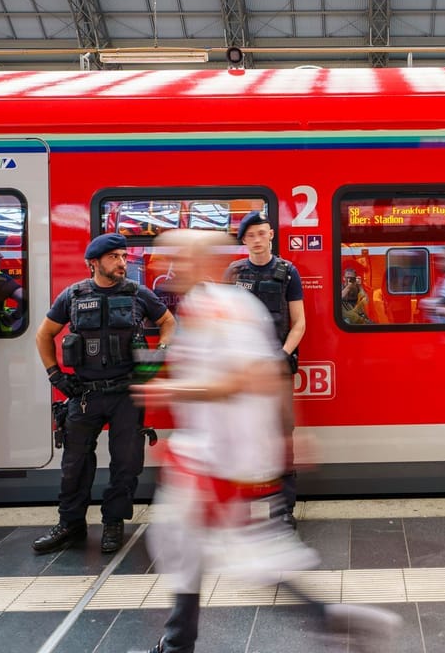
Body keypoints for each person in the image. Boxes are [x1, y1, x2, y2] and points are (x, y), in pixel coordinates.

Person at [136, 229, 400, 653]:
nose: (170, 266)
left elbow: (253, 375)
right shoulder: (201, 307)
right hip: (206, 453)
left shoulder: (227, 310)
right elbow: (272, 371)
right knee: (179, 542)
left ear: (204, 263)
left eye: (180, 257)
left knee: (246, 557)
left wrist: (177, 393)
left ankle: (335, 622)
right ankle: (179, 641)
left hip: (228, 458)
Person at [32, 233, 176, 555]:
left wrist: (159, 353)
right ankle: (71, 524)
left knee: (125, 465)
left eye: (124, 256)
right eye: (114, 257)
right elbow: (44, 335)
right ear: (93, 263)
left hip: (126, 393)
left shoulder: (138, 294)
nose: (122, 263)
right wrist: (56, 375)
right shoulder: (72, 296)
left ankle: (114, 523)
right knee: (74, 464)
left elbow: (168, 322)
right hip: (85, 394)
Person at [224, 210, 305, 526]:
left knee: (281, 438)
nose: (257, 240)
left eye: (262, 233)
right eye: (251, 235)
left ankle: (282, 511)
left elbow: (299, 323)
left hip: (277, 370)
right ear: (244, 240)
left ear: (271, 234)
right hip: (242, 370)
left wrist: (281, 355)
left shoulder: (288, 272)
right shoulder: (233, 272)